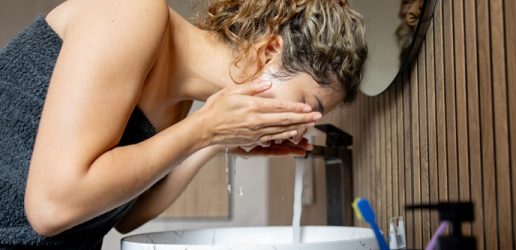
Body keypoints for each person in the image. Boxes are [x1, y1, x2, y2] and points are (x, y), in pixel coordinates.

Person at [0, 0, 367, 248]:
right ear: (269, 53)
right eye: (306, 106)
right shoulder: (131, 11)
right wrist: (202, 130)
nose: (298, 130)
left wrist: (212, 143)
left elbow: (124, 217)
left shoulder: (180, 101)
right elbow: (52, 208)